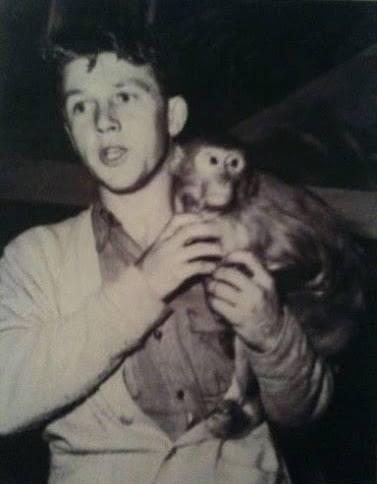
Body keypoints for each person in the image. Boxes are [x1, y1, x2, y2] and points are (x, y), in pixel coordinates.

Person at [0, 24, 363, 484]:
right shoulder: (36, 258)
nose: (103, 120)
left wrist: (273, 336)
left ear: (172, 117)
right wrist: (143, 288)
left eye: (125, 96)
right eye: (81, 105)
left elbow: (306, 412)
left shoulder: (248, 227)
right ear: (71, 133)